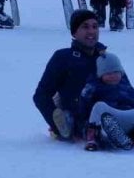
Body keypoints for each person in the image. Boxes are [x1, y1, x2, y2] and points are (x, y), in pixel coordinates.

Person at [33, 9, 107, 142]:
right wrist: (58, 126)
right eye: (85, 27)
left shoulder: (105, 58)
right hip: (80, 117)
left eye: (95, 27)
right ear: (74, 32)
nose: (91, 31)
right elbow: (41, 95)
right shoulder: (63, 57)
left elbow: (125, 88)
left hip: (110, 110)